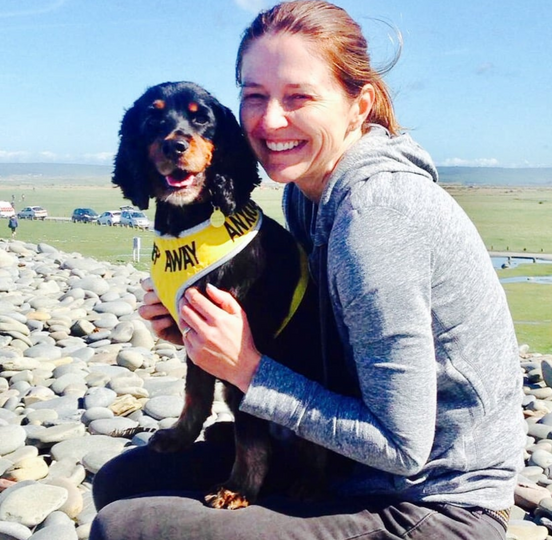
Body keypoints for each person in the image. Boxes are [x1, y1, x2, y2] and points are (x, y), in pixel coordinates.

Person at [90, 2, 524, 539]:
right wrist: (201, 336)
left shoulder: (377, 215)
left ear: (357, 104)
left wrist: (246, 368)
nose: (271, 121)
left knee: (124, 527)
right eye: (255, 97)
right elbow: (300, 336)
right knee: (121, 480)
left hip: (431, 500)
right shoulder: (306, 195)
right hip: (336, 459)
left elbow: (403, 447)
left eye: (299, 97)